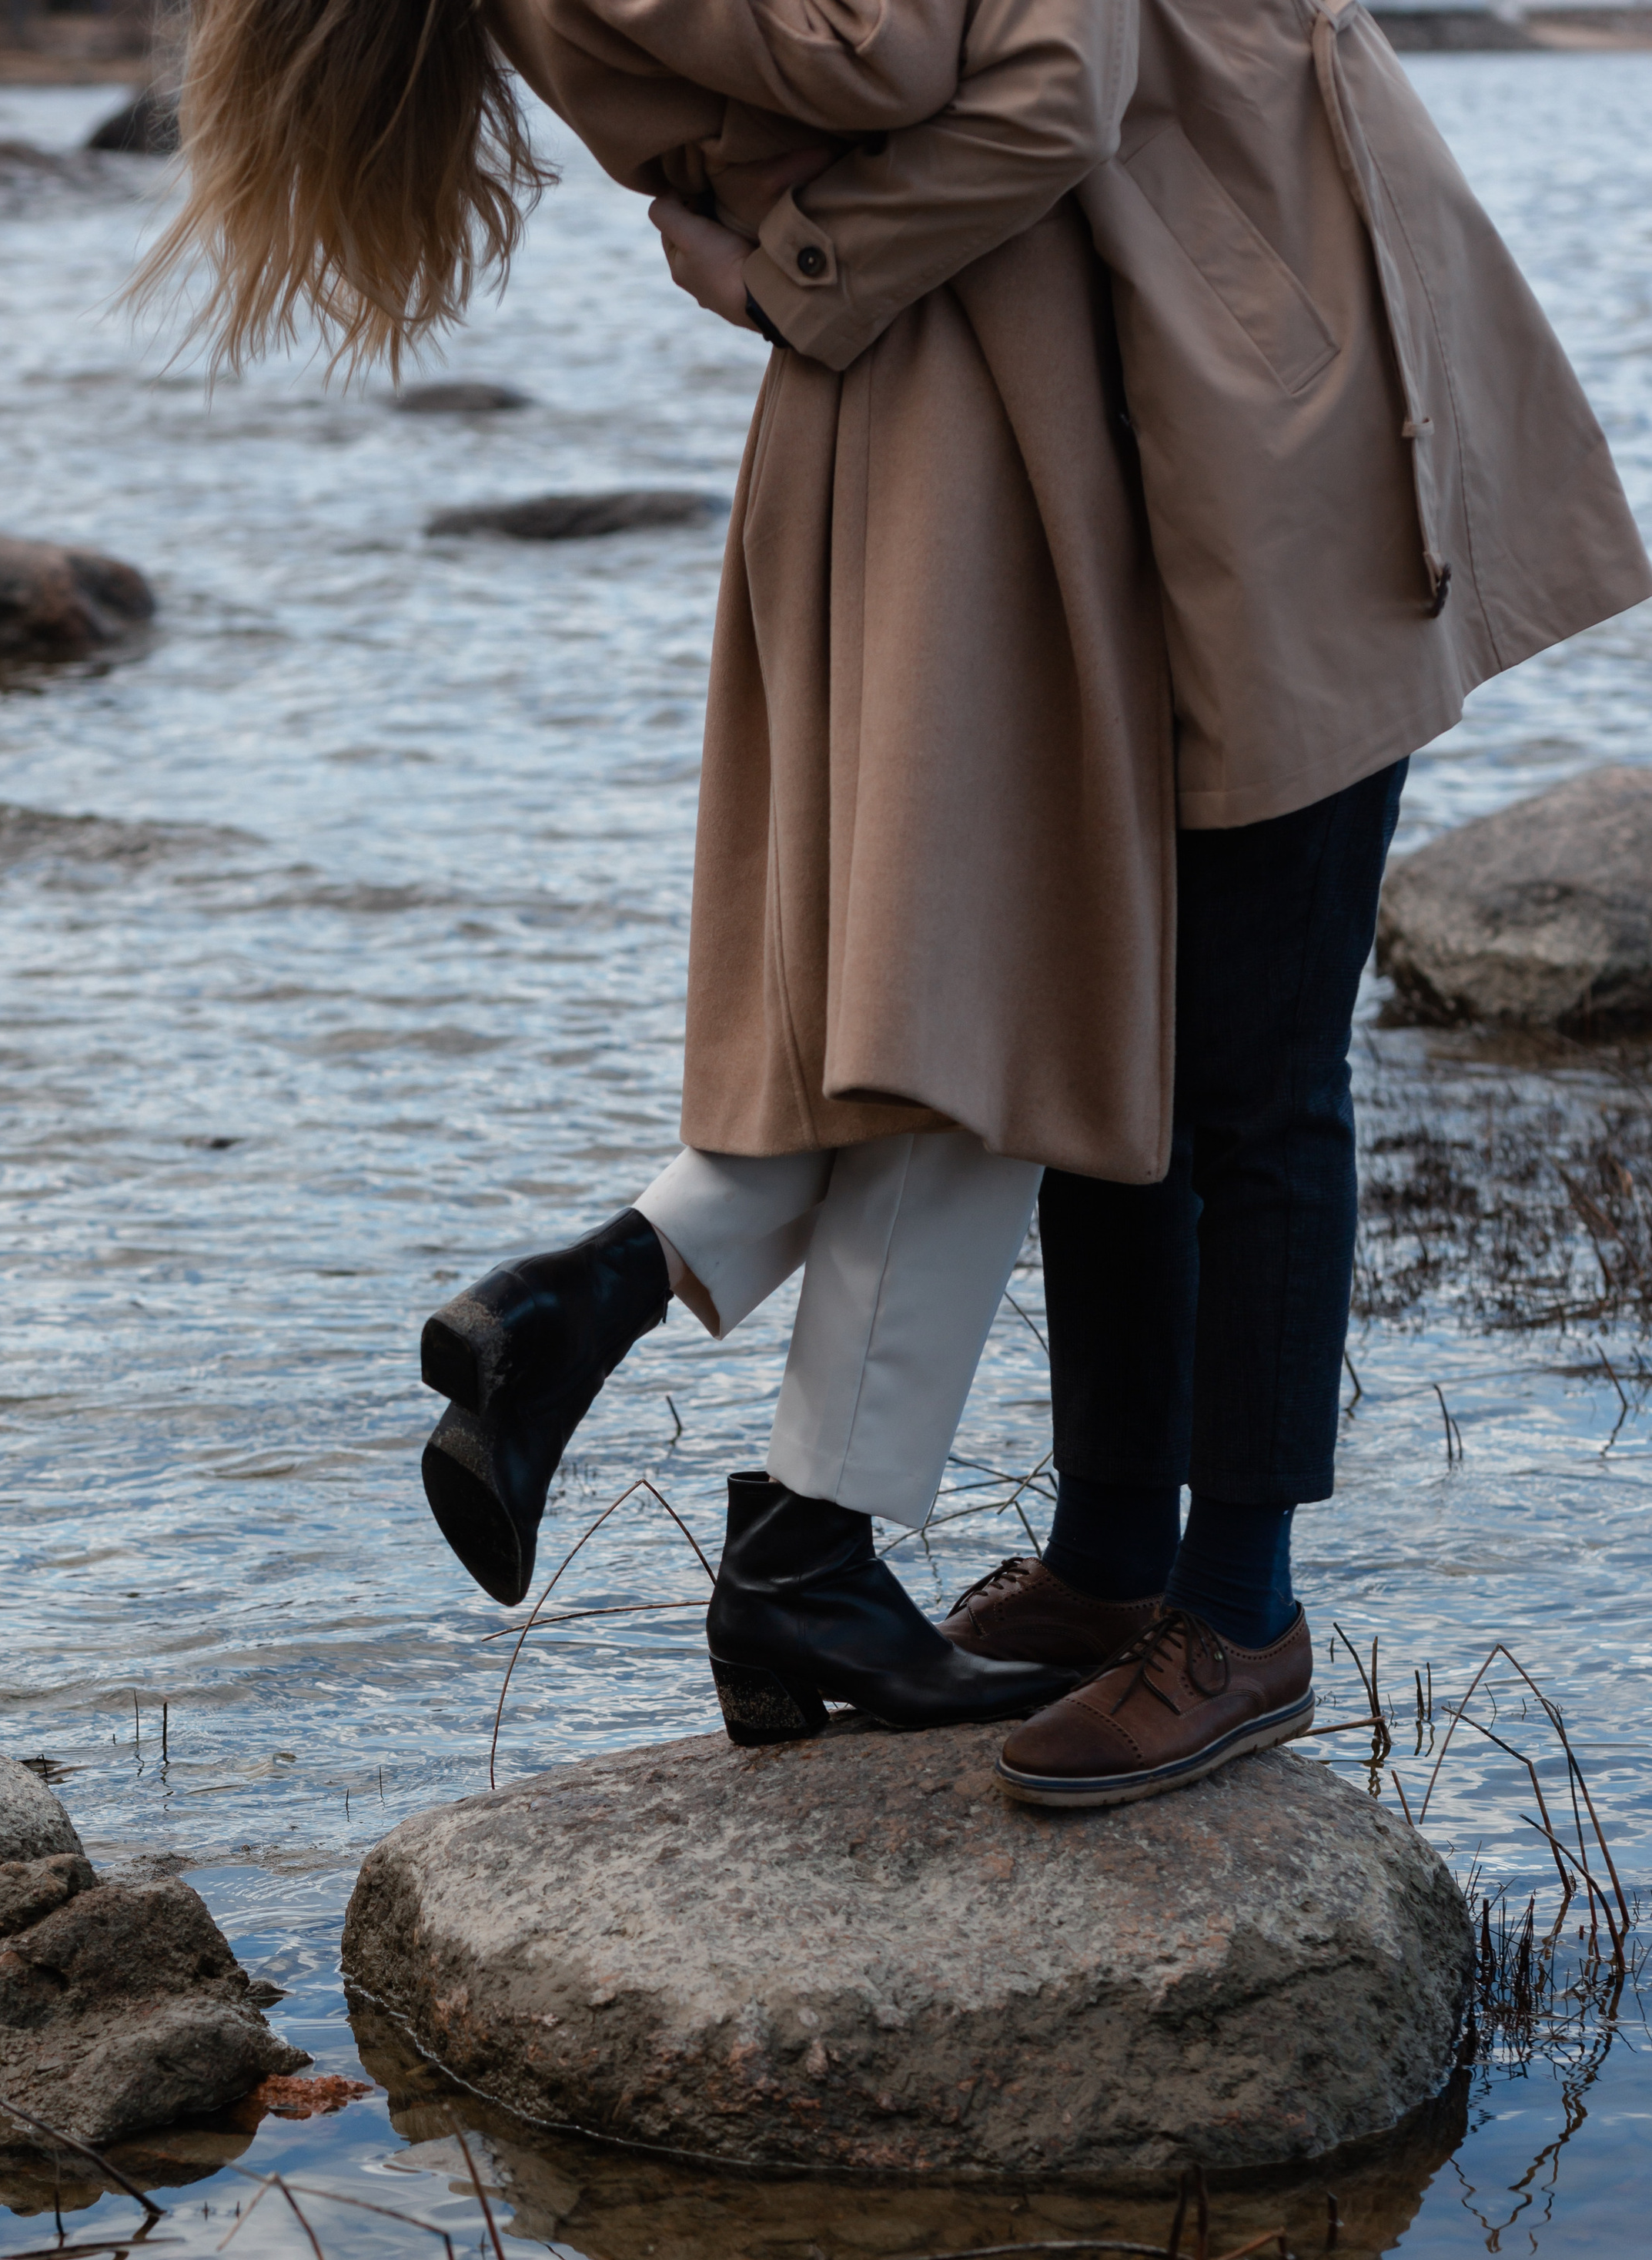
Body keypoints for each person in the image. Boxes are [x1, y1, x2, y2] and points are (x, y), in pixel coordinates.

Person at [145, 0, 1650, 1800]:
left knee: (1248, 1062)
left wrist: (793, 265)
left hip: (1253, 388)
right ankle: (1104, 1566)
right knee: (1104, 1018)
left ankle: (1235, 1611)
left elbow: (1017, 76)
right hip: (1069, 425)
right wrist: (798, 261)